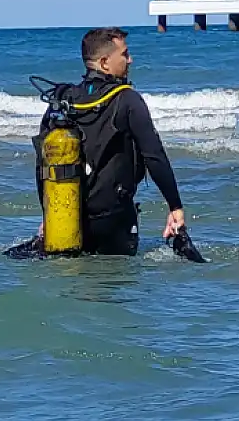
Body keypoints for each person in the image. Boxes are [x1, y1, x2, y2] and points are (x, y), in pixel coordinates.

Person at [21, 27, 186, 256]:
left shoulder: (62, 101)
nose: (130, 60)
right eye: (125, 54)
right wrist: (175, 207)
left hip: (69, 218)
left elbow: (44, 165)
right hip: (113, 223)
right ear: (105, 62)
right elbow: (154, 155)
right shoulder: (127, 99)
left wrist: (50, 214)